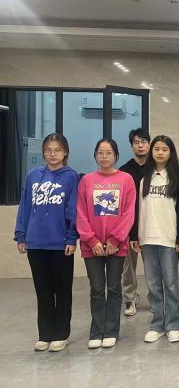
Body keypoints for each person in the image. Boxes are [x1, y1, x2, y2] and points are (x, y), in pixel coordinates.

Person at [14, 133, 79, 352]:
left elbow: (73, 210)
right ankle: (45, 333)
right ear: (43, 152)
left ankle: (61, 333)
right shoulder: (33, 176)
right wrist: (21, 235)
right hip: (35, 242)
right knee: (42, 290)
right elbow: (25, 206)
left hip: (60, 243)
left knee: (62, 290)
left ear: (65, 152)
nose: (53, 154)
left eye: (57, 150)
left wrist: (72, 237)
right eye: (49, 150)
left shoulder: (71, 177)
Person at [77, 138, 136, 349]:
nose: (104, 157)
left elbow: (129, 213)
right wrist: (91, 239)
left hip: (116, 245)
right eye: (100, 153)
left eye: (108, 153)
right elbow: (81, 213)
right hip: (91, 245)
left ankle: (111, 331)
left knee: (113, 288)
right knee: (96, 288)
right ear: (95, 155)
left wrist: (115, 239)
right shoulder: (86, 181)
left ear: (116, 156)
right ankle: (96, 331)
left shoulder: (126, 179)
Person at [133, 135, 179, 343]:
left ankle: (173, 324)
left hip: (168, 238)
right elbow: (137, 209)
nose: (160, 152)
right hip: (147, 237)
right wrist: (135, 235)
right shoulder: (144, 179)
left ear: (171, 153)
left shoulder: (177, 179)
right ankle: (157, 324)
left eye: (164, 149)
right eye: (156, 149)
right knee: (153, 284)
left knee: (170, 284)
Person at [119, 128, 150, 317]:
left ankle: (155, 298)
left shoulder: (156, 168)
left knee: (152, 267)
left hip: (151, 226)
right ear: (132, 146)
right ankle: (130, 299)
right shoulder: (124, 171)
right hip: (129, 227)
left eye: (143, 142)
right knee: (128, 268)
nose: (140, 146)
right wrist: (128, 231)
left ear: (149, 144)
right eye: (136, 142)